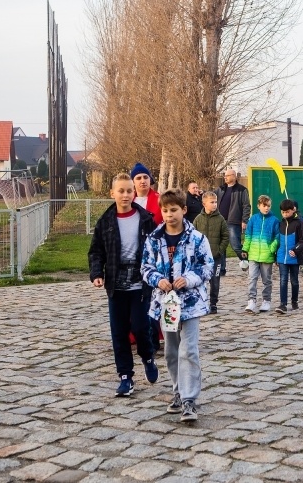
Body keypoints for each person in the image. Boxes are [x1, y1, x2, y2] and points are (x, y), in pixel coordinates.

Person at [141, 188, 214, 422]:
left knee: (188, 350)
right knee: (172, 351)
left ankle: (190, 399)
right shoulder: (154, 240)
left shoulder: (197, 239)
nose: (169, 215)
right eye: (165, 210)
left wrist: (189, 279)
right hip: (166, 304)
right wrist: (157, 280)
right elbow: (146, 267)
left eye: (173, 210)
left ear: (183, 210)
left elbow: (207, 266)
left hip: (190, 304)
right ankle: (178, 392)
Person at [89, 173, 159, 398]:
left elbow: (157, 248)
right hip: (116, 284)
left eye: (129, 191)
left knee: (140, 327)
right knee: (119, 332)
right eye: (121, 191)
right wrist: (96, 273)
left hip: (140, 283)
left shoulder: (145, 219)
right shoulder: (105, 221)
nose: (126, 195)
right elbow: (96, 251)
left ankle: (148, 357)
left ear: (134, 193)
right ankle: (125, 377)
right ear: (112, 193)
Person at [132, 162, 163, 353]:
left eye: (145, 177)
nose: (143, 181)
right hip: (133, 256)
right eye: (138, 178)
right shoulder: (129, 200)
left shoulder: (159, 200)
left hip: (155, 255)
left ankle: (153, 335)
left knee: (153, 297)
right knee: (135, 297)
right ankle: (136, 333)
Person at [192, 191, 229, 314]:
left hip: (215, 258)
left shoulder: (220, 219)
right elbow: (192, 236)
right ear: (204, 204)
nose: (214, 204)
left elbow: (225, 236)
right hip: (201, 258)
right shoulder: (198, 219)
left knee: (215, 281)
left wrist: (219, 250)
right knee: (200, 281)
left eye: (215, 202)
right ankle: (201, 302)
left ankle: (213, 303)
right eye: (212, 202)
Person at [242, 195, 280, 314]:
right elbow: (248, 235)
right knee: (252, 278)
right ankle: (251, 300)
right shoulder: (253, 219)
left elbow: (277, 236)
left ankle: (266, 300)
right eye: (264, 205)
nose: (266, 208)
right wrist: (245, 249)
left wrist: (271, 248)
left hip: (267, 256)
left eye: (268, 206)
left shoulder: (274, 220)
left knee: (266, 280)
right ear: (259, 206)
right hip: (253, 255)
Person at [216, 169, 251, 274]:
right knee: (221, 246)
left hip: (233, 222)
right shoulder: (221, 189)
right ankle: (221, 269)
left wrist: (244, 220)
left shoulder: (242, 190)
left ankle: (246, 262)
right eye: (224, 175)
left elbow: (246, 206)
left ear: (234, 176)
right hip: (220, 221)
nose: (225, 177)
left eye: (227, 175)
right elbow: (210, 197)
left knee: (235, 245)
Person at [276, 199, 303, 314]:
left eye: (287, 212)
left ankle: (294, 301)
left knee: (294, 281)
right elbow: (277, 241)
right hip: (282, 258)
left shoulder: (298, 223)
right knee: (283, 280)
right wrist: (276, 257)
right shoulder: (280, 224)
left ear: (293, 210)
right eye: (283, 212)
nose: (285, 214)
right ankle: (283, 304)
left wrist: (295, 250)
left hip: (294, 258)